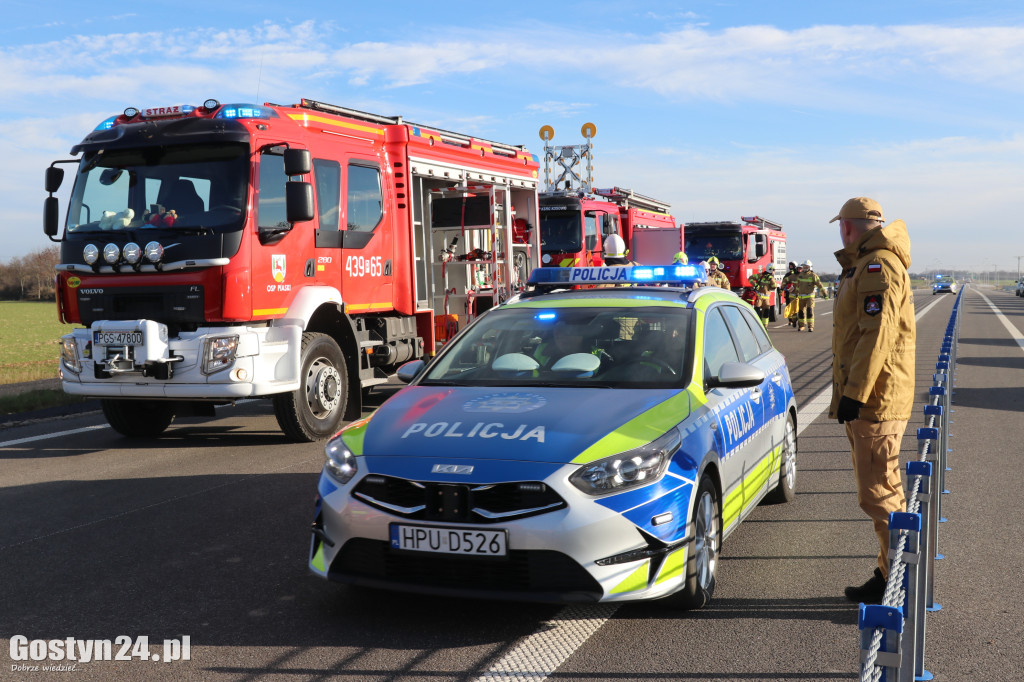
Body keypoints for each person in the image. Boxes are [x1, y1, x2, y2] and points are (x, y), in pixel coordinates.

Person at [828, 197, 916, 604]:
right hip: (875, 395)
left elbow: (875, 334)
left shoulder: (876, 264)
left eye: (842, 225)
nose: (840, 232)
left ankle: (897, 582)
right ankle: (890, 573)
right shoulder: (865, 262)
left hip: (875, 399)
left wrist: (854, 393)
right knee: (884, 491)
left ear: (850, 226)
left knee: (878, 494)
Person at [795, 260, 824, 331]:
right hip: (801, 296)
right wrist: (796, 293)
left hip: (809, 297)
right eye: (804, 267)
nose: (805, 268)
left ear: (810, 267)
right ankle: (801, 326)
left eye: (806, 267)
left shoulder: (813, 275)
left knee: (809, 311)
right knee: (801, 312)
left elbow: (820, 285)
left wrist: (825, 294)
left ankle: (810, 327)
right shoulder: (800, 275)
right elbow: (798, 285)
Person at [782, 262, 801, 327]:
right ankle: (791, 320)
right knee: (789, 307)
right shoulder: (788, 274)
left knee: (797, 308)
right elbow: (784, 281)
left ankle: (795, 321)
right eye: (790, 266)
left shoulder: (799, 275)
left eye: (792, 266)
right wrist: (784, 289)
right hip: (789, 293)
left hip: (796, 293)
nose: (791, 268)